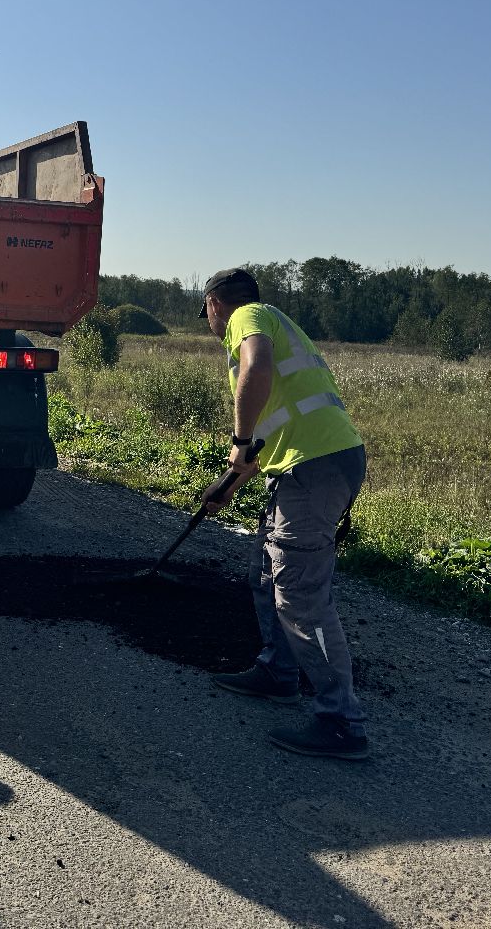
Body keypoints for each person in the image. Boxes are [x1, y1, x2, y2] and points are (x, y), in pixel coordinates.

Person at [198, 267, 370, 760]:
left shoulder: (248, 318)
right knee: (264, 572)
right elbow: (276, 434)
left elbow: (256, 370)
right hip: (307, 465)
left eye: (206, 310)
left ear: (215, 303)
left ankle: (342, 723)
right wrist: (230, 482)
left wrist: (236, 443)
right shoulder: (278, 322)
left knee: (299, 595)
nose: (209, 320)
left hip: (313, 471)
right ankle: (278, 672)